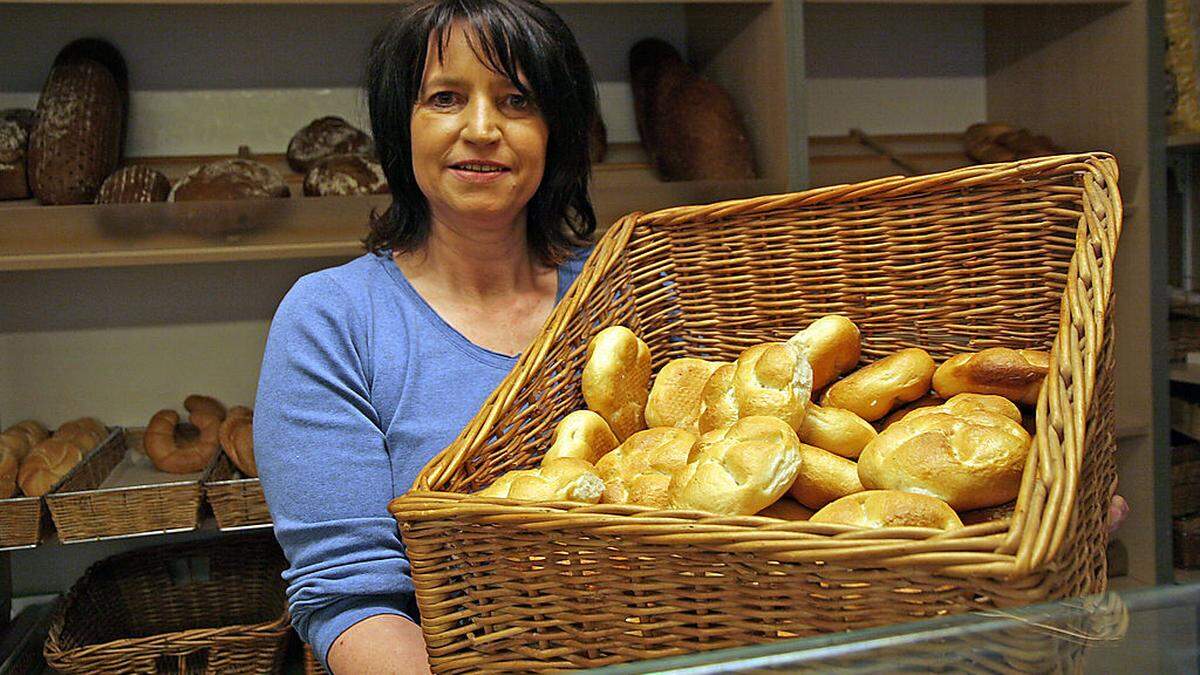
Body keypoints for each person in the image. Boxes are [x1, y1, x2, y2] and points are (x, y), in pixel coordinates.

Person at [254, 0, 599, 671]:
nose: (481, 128)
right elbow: (350, 596)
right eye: (445, 97)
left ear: (555, 126)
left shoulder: (620, 294)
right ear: (400, 127)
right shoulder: (332, 320)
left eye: (516, 99)